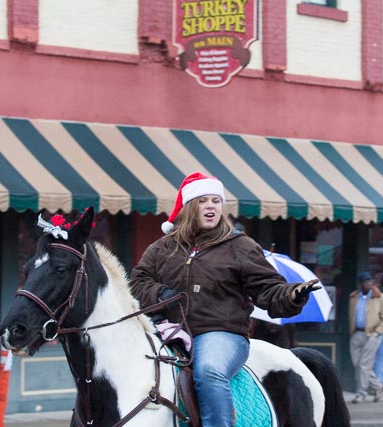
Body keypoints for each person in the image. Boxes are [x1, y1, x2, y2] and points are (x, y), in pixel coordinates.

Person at [129, 172, 319, 427]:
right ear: (189, 207)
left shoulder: (240, 246)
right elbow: (137, 282)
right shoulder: (163, 247)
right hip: (167, 329)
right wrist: (161, 294)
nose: (211, 206)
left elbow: (268, 289)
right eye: (203, 200)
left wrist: (292, 294)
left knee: (209, 372)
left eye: (216, 201)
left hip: (221, 333)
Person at [348, 271, 383, 404]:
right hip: (357, 333)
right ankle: (379, 386)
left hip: (372, 334)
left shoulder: (380, 297)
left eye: (370, 281)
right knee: (357, 364)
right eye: (366, 281)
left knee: (364, 364)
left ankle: (361, 393)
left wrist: (377, 333)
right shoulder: (354, 297)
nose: (369, 284)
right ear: (360, 284)